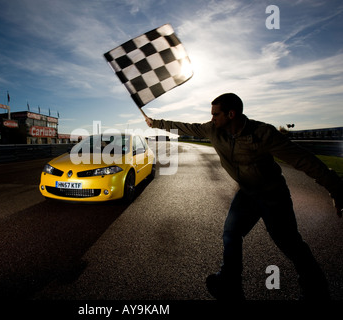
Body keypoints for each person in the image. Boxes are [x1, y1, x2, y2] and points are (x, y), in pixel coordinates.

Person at [144, 93, 343, 300]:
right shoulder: (213, 130)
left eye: (216, 114)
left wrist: (336, 189)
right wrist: (155, 123)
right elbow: (186, 126)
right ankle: (230, 283)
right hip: (247, 193)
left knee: (289, 242)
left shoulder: (263, 133)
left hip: (273, 195)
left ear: (231, 114)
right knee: (231, 234)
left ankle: (316, 289)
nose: (212, 119)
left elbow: (304, 160)